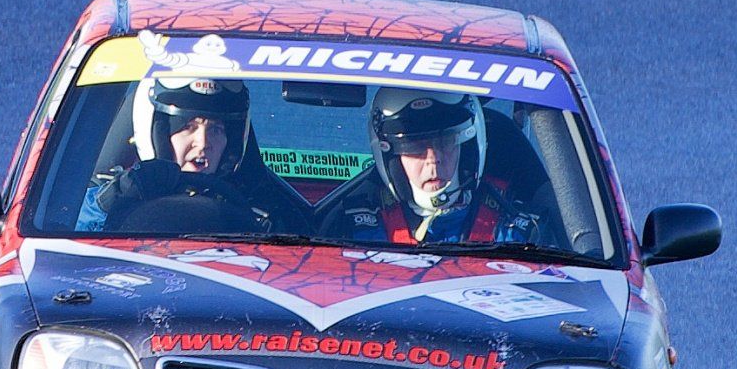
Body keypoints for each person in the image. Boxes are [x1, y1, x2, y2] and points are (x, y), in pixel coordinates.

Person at [79, 77, 313, 235]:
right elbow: (68, 233)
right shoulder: (112, 198)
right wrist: (113, 199)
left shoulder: (261, 210)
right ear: (158, 133)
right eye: (188, 127)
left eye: (216, 130)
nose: (203, 143)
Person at [325, 89, 548, 246]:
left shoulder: (520, 234)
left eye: (445, 143)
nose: (433, 160)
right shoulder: (351, 232)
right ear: (392, 159)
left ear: (467, 149)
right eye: (415, 147)